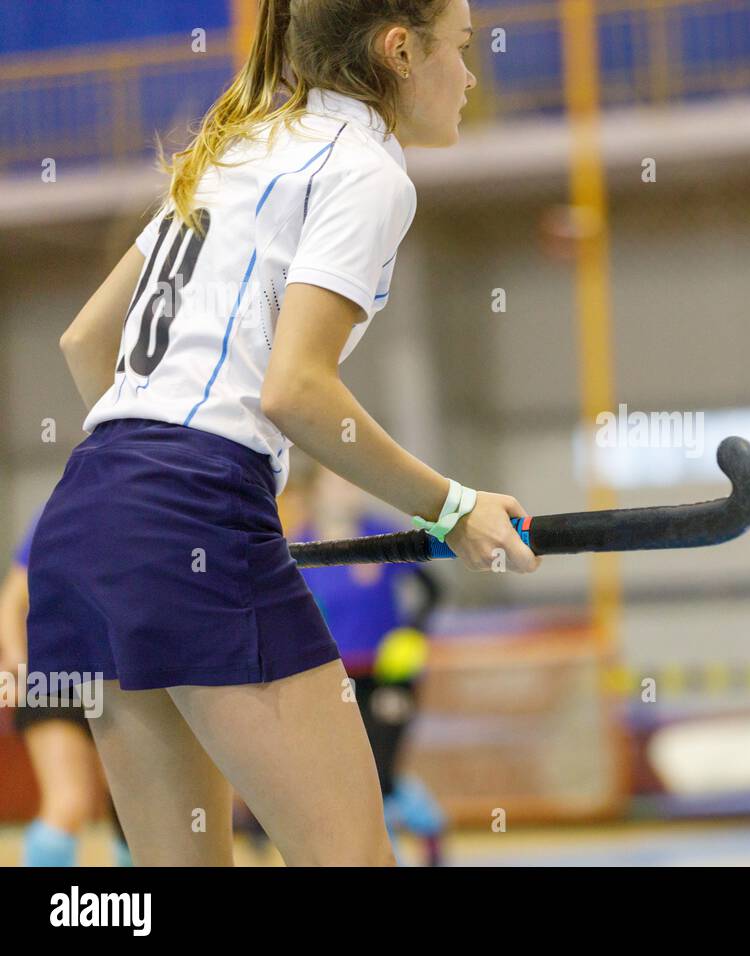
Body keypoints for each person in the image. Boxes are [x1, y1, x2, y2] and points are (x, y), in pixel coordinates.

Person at [26, 0, 540, 867]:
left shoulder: (235, 148)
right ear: (400, 50)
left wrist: (146, 503)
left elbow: (87, 341)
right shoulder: (367, 170)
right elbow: (296, 391)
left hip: (82, 518)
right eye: (461, 48)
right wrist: (453, 507)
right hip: (191, 509)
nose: (472, 74)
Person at [281, 460, 448, 865]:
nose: (347, 491)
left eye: (350, 483)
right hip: (336, 679)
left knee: (381, 771)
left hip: (388, 675)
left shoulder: (381, 535)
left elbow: (432, 589)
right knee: (351, 779)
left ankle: (422, 828)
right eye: (336, 484)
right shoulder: (299, 548)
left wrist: (412, 634)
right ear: (316, 492)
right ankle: (385, 843)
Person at [0, 508, 130, 867]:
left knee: (131, 812)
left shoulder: (140, 511)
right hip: (56, 675)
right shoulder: (63, 511)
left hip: (121, 678)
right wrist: (20, 666)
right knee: (70, 801)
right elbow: (11, 601)